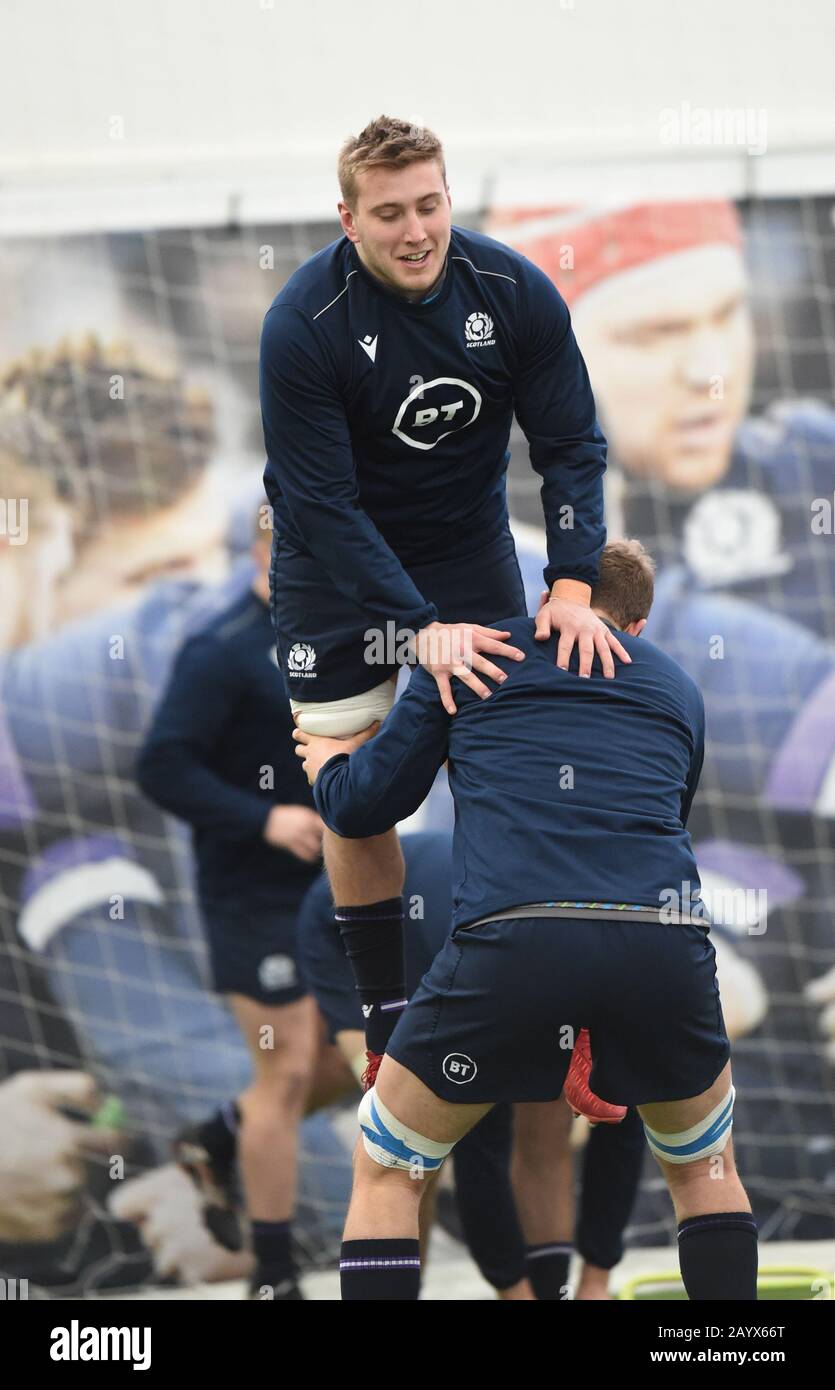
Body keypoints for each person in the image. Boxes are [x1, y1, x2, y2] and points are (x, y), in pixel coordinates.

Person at [259, 114, 628, 1081]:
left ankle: (559, 1000)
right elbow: (322, 505)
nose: (415, 230)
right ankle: (385, 1017)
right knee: (354, 798)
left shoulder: (511, 289)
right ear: (348, 218)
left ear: (447, 197)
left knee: (510, 782)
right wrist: (416, 631)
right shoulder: (303, 324)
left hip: (467, 555)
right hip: (331, 577)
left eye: (429, 204)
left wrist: (575, 584)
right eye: (388, 214)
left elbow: (570, 448)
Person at [295, 539, 757, 1301]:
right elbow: (664, 818)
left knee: (389, 1169)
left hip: (512, 941)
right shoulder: (675, 686)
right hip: (663, 942)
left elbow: (361, 809)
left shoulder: (472, 656)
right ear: (635, 627)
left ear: (553, 597)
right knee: (706, 1170)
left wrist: (325, 764)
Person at [137, 511, 325, 1300]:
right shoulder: (219, 650)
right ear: (261, 552)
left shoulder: (340, 640)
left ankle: (216, 1137)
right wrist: (265, 818)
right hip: (251, 895)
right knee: (282, 1078)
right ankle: (274, 1274)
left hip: (336, 885)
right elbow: (161, 766)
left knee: (356, 1061)